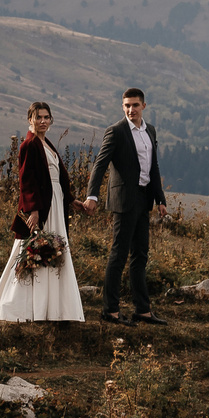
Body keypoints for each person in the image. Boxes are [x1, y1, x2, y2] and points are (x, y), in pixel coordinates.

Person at [0, 101, 86, 323]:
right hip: (42, 207)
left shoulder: (45, 142)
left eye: (46, 117)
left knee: (51, 250)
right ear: (29, 119)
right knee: (35, 250)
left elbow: (56, 178)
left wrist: (71, 200)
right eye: (38, 117)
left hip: (55, 203)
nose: (42, 121)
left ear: (51, 120)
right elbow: (26, 181)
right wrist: (33, 211)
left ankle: (52, 309)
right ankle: (23, 308)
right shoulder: (28, 145)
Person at [93, 86, 167, 325]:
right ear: (122, 107)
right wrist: (92, 196)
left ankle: (142, 310)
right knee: (118, 255)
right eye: (126, 105)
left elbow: (153, 167)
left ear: (143, 106)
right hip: (124, 201)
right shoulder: (116, 131)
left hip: (144, 200)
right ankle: (110, 310)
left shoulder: (150, 131)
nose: (131, 110)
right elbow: (100, 164)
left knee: (140, 255)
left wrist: (160, 199)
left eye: (135, 105)